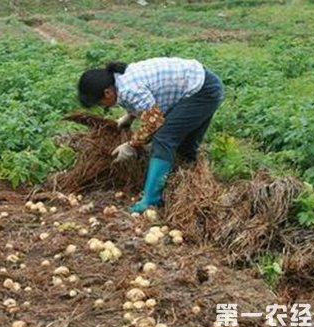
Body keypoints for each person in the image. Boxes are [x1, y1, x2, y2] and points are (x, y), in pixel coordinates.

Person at [77, 57, 224, 213]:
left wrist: (131, 145)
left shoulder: (128, 90)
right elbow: (145, 100)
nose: (102, 106)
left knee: (164, 138)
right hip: (199, 83)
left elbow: (153, 122)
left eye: (100, 103)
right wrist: (130, 116)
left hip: (202, 91)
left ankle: (151, 199)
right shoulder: (119, 80)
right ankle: (185, 184)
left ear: (107, 92)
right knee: (184, 144)